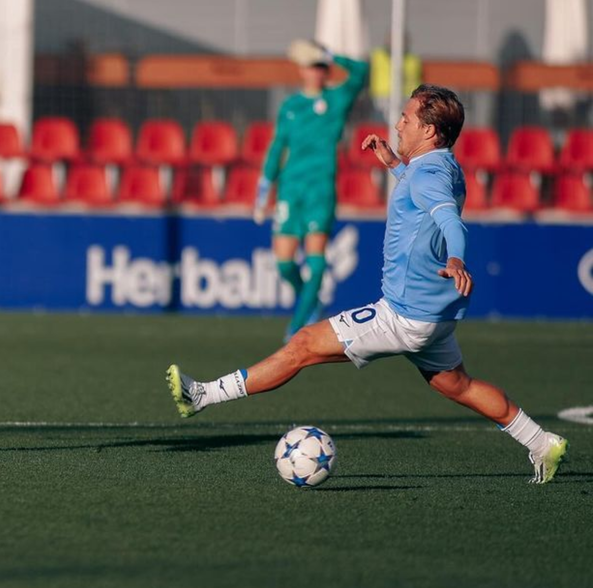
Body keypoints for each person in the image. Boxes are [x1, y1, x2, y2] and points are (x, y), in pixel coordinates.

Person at [168, 84, 568, 484]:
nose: (397, 124)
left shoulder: (428, 175)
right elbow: (425, 194)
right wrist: (394, 164)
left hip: (405, 314)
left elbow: (449, 221)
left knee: (304, 345)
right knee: (457, 385)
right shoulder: (441, 164)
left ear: (429, 131)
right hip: (434, 314)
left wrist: (457, 258)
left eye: (406, 119)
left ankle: (203, 395)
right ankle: (541, 442)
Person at [254, 40, 369, 342]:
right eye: (312, 66)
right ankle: (311, 301)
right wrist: (265, 184)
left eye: (322, 67)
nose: (317, 72)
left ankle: (298, 323)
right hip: (291, 189)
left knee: (316, 258)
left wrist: (332, 54)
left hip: (320, 189)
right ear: (302, 71)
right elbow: (278, 145)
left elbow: (361, 73)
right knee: (283, 263)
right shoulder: (291, 106)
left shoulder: (336, 99)